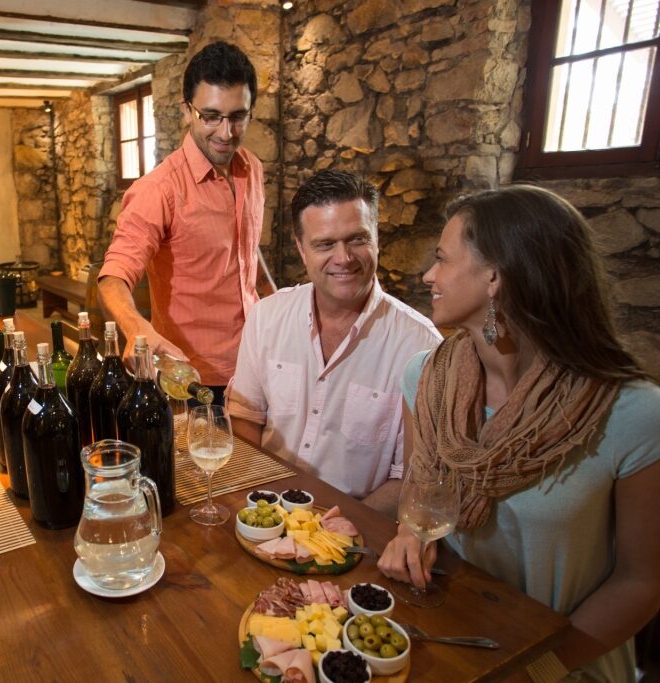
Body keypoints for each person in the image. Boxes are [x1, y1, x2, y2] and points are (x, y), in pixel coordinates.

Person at [377, 185, 660, 683]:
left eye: (442, 259)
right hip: (455, 640)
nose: (428, 276)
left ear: (494, 277)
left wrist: (537, 667)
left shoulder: (631, 413)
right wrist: (407, 534)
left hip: (566, 662)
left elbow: (641, 582)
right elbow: (420, 495)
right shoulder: (426, 378)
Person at [226, 170, 441, 514]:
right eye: (325, 244)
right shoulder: (266, 317)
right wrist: (263, 500)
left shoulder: (421, 345)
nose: (344, 258)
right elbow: (246, 417)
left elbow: (412, 477)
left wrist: (336, 527)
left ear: (377, 239)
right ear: (301, 249)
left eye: (357, 239)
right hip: (267, 510)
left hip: (358, 528)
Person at [97, 40, 267, 403]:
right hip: (192, 379)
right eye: (210, 116)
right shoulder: (159, 189)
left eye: (238, 117)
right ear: (187, 111)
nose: (226, 132)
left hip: (257, 363)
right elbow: (113, 277)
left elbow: (249, 262)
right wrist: (135, 326)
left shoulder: (252, 169)